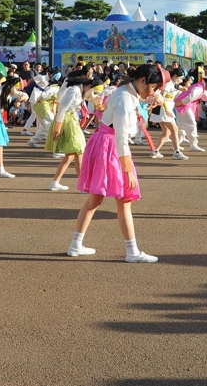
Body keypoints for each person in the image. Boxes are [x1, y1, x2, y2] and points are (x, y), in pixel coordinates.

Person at [66, 64, 163, 263]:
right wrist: (127, 170)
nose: (152, 92)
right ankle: (132, 251)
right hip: (112, 148)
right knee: (124, 199)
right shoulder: (125, 98)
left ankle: (76, 244)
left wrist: (148, 101)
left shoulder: (124, 92)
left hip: (104, 143)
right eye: (152, 87)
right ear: (143, 81)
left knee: (96, 199)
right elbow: (121, 137)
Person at [48, 72, 103, 191]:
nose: (93, 95)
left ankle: (55, 182)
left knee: (71, 155)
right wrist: (57, 127)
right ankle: (82, 185)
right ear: (88, 86)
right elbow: (62, 108)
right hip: (67, 120)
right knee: (78, 151)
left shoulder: (81, 90)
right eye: (93, 91)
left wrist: (97, 101)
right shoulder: (74, 90)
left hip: (70, 120)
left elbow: (90, 98)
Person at [150, 68, 187, 160]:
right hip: (164, 109)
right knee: (175, 129)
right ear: (175, 76)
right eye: (181, 78)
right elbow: (162, 97)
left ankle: (155, 151)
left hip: (165, 109)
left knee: (167, 132)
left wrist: (183, 88)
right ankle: (177, 152)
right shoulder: (168, 84)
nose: (181, 80)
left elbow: (176, 88)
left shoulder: (173, 84)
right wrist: (166, 109)